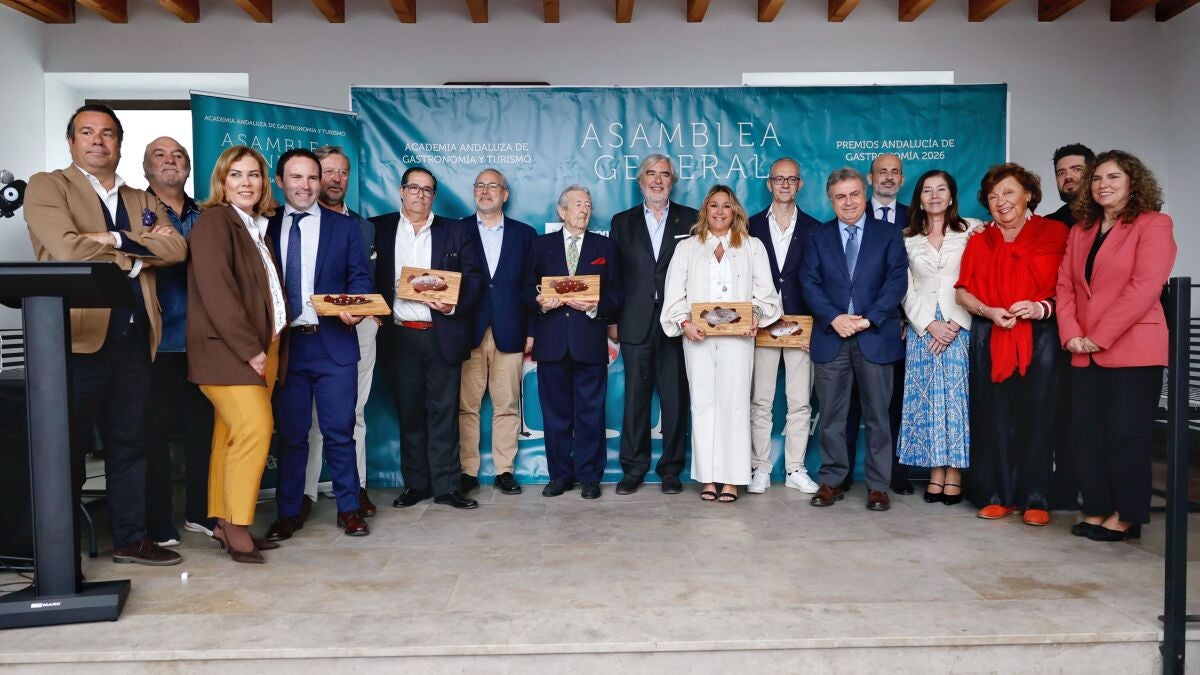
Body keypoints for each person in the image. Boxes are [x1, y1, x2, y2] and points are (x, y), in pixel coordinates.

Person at [25, 104, 187, 568]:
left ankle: (131, 539)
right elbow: (66, 247)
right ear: (71, 141)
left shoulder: (140, 198)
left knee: (130, 443)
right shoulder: (47, 186)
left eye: (108, 133)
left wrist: (114, 239)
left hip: (134, 337)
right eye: (87, 132)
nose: (98, 140)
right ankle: (59, 551)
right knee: (67, 446)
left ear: (119, 142)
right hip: (75, 340)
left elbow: (176, 246)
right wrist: (137, 258)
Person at [1057, 150, 1176, 541]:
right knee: (1087, 434)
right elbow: (1065, 287)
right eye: (1097, 178)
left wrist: (1099, 336)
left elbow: (1144, 286)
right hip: (1083, 349)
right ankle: (1097, 507)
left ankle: (1127, 514)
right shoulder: (1081, 230)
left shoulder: (1153, 224)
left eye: (1113, 177)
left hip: (1134, 349)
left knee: (1126, 435)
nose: (1102, 185)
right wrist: (1071, 334)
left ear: (1132, 183)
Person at [263, 149, 373, 541]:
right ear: (280, 181)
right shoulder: (263, 226)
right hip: (286, 348)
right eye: (296, 177)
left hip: (334, 344)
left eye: (312, 177)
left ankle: (349, 509)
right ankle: (288, 512)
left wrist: (355, 309)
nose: (306, 185)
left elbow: (361, 279)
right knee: (292, 435)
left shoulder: (344, 228)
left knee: (340, 431)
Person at [187, 145, 287, 563]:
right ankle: (239, 526)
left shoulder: (254, 227)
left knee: (229, 436)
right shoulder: (215, 222)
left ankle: (224, 522)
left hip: (263, 346)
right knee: (254, 429)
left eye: (254, 175)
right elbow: (218, 291)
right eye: (236, 175)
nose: (246, 183)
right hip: (231, 350)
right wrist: (249, 348)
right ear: (222, 182)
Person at [955, 163, 1068, 527]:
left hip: (1040, 335)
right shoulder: (979, 240)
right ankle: (997, 495)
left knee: (1038, 416)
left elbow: (1069, 289)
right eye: (993, 196)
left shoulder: (1055, 233)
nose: (1001, 201)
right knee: (994, 416)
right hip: (991, 334)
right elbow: (962, 292)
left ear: (1028, 195)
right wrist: (988, 310)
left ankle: (1035, 496)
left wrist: (1040, 307)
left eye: (1008, 192)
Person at [661, 185, 782, 503]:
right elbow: (674, 295)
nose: (719, 211)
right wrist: (684, 323)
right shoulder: (688, 248)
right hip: (697, 339)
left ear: (735, 211)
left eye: (726, 206)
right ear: (705, 210)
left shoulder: (752, 246)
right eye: (713, 205)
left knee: (735, 404)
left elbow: (766, 296)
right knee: (703, 405)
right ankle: (708, 478)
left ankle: (732, 479)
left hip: (738, 340)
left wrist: (754, 317)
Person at [373, 167, 484, 510]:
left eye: (427, 190)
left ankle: (447, 487)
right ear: (401, 191)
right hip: (399, 335)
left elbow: (474, 278)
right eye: (414, 188)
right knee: (409, 413)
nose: (420, 195)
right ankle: (416, 484)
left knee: (444, 413)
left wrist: (452, 304)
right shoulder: (378, 228)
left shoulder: (456, 230)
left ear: (434, 196)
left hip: (441, 334)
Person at [801, 167, 907, 512]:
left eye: (854, 194)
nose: (848, 202)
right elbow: (809, 283)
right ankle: (832, 481)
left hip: (875, 335)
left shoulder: (889, 234)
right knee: (832, 417)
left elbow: (896, 282)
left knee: (878, 417)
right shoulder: (817, 236)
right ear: (830, 201)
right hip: (832, 336)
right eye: (840, 196)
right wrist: (834, 318)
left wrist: (868, 319)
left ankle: (878, 487)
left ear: (865, 194)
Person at [523, 185, 622, 500]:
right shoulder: (541, 246)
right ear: (562, 211)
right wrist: (540, 301)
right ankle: (559, 476)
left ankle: (590, 477)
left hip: (589, 342)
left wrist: (595, 306)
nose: (585, 209)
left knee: (591, 415)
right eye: (578, 204)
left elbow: (618, 292)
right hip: (551, 343)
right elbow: (525, 288)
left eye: (588, 204)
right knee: (555, 416)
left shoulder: (605, 247)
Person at [140, 136, 216, 545]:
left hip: (202, 342)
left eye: (178, 155)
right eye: (160, 155)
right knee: (153, 434)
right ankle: (157, 521)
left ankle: (200, 513)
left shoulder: (205, 213)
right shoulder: (135, 208)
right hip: (157, 341)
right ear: (147, 167)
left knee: (203, 431)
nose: (170, 161)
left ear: (188, 167)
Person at [298, 145, 379, 521]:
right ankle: (304, 493)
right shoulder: (292, 222)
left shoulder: (363, 226)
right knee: (311, 418)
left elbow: (369, 278)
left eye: (343, 172)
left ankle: (356, 488)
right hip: (309, 330)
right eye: (328, 171)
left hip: (357, 330)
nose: (336, 179)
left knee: (354, 413)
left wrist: (370, 315)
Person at [609, 154, 697, 495]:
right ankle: (633, 469)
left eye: (664, 174)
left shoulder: (690, 218)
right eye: (651, 173)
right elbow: (614, 276)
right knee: (635, 400)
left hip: (677, 323)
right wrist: (612, 320)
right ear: (640, 180)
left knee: (675, 400)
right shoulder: (622, 221)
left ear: (672, 181)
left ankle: (671, 470)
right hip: (634, 322)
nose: (657, 180)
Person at [897, 170, 977, 505]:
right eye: (927, 190)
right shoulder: (907, 238)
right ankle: (935, 473)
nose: (934, 195)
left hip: (960, 326)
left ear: (952, 195)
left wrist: (955, 323)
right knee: (929, 401)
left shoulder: (972, 230)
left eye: (941, 189)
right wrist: (928, 324)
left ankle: (955, 473)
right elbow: (905, 287)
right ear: (919, 198)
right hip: (924, 329)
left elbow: (979, 277)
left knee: (956, 401)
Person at [458, 169, 537, 496]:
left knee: (507, 405)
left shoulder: (525, 234)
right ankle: (467, 471)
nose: (486, 191)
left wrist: (531, 330)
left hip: (511, 330)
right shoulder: (457, 230)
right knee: (467, 406)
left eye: (493, 186)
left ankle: (505, 470)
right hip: (467, 331)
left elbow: (533, 286)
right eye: (480, 185)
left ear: (505, 194)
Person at [746, 158, 821, 494]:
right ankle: (760, 467)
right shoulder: (749, 226)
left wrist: (816, 323)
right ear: (769, 183)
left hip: (800, 324)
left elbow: (820, 279)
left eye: (792, 179)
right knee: (760, 400)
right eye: (779, 179)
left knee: (800, 401)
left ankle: (795, 469)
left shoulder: (815, 228)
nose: (785, 184)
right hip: (761, 323)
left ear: (800, 184)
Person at [847, 152, 911, 495]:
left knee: (889, 406)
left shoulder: (915, 217)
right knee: (846, 409)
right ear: (869, 179)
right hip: (844, 328)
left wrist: (902, 317)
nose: (888, 177)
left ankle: (892, 475)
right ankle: (840, 476)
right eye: (881, 172)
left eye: (894, 172)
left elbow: (906, 277)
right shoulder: (850, 211)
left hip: (893, 328)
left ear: (902, 179)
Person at [1045, 144, 1095, 225]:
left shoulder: (1110, 214)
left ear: (1093, 173)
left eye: (1077, 169)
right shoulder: (1049, 223)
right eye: (1061, 173)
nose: (1067, 176)